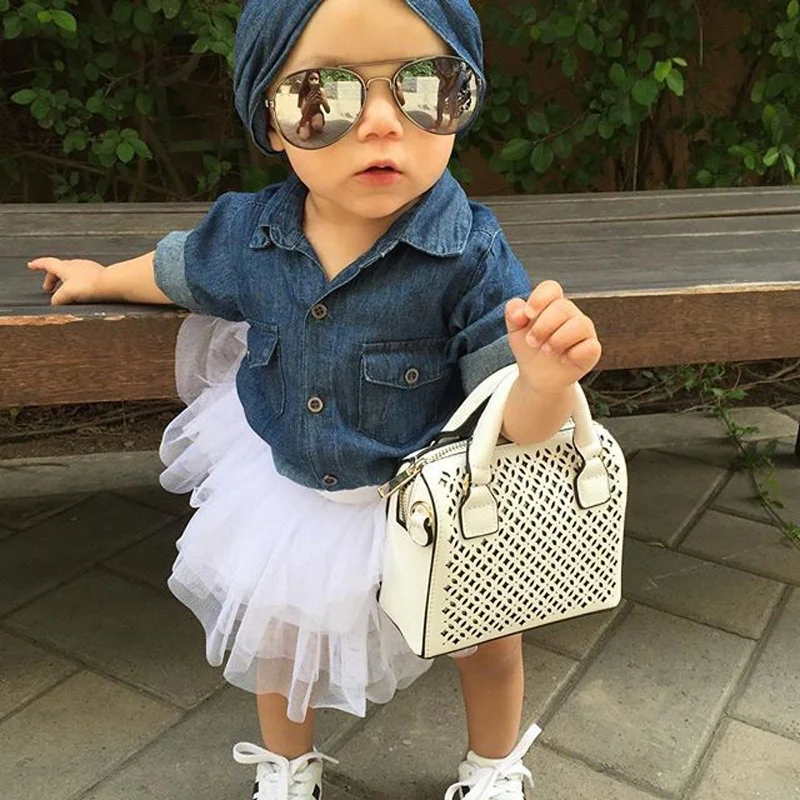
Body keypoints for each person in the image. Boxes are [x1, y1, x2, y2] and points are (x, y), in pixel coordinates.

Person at [27, 1, 601, 797]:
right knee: (282, 635)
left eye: (424, 88)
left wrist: (545, 381)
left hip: (432, 494)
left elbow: (514, 426)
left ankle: (494, 765)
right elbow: (180, 270)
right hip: (294, 487)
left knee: (487, 640)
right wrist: (101, 278)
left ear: (461, 100)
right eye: (323, 96)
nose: (380, 124)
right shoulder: (251, 233)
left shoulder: (469, 254)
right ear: (270, 116)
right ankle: (289, 765)